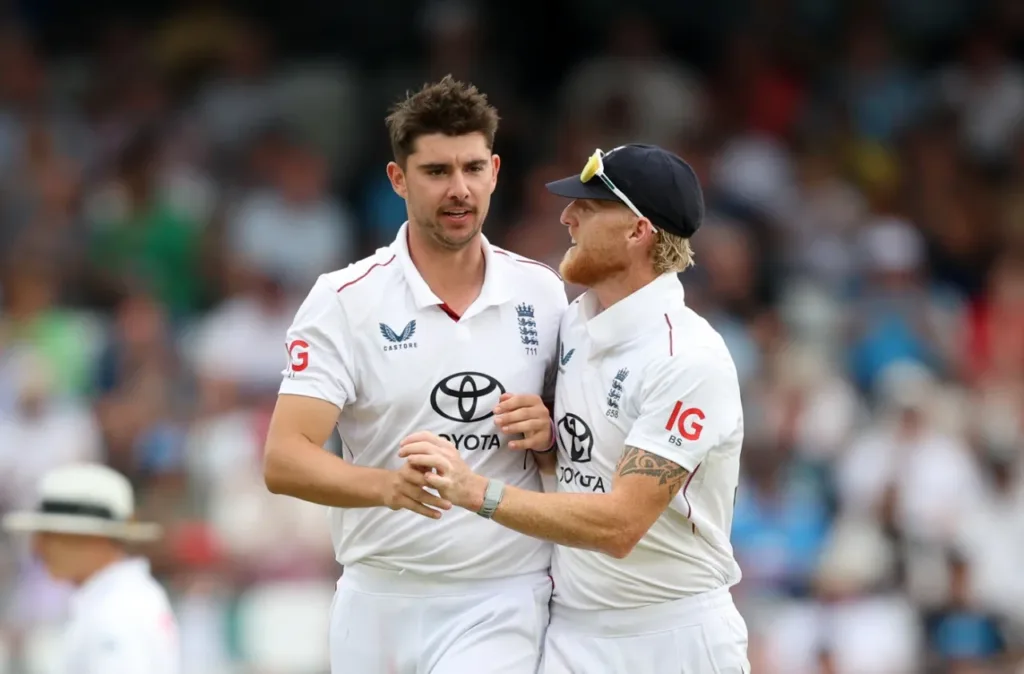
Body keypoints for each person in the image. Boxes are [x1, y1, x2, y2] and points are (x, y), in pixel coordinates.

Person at [398, 144, 751, 673]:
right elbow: (579, 472)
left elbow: (619, 524)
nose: (567, 217)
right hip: (573, 631)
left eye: (588, 207)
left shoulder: (688, 359)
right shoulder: (572, 325)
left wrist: (474, 491)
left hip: (674, 636)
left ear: (638, 231)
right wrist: (545, 444)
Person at [262, 75, 567, 674]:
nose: (459, 190)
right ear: (398, 179)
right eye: (436, 172)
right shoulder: (344, 300)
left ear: (496, 170)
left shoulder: (543, 292)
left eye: (473, 168)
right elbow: (284, 459)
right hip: (377, 598)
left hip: (503, 594)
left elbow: (575, 452)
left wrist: (549, 430)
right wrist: (386, 487)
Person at [2, 463, 179, 674]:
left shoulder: (116, 612)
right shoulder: (125, 599)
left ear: (95, 538)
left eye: (52, 534)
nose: (37, 547)